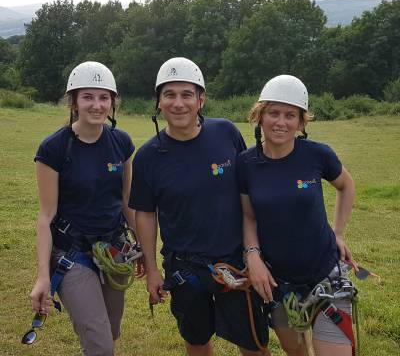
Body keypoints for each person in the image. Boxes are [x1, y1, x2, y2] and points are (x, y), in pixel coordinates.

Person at [129, 57, 269, 356]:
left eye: (187, 94)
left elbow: (248, 195)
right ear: (159, 102)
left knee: (254, 343)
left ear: (201, 100)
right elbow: (144, 214)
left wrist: (256, 252)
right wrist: (152, 270)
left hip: (236, 261)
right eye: (169, 95)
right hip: (185, 267)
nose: (178, 103)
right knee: (196, 341)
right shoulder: (148, 156)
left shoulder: (226, 133)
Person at [238, 75, 357, 356]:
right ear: (260, 116)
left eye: (290, 115)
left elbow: (346, 185)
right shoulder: (246, 163)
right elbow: (249, 216)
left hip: (325, 277)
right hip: (279, 284)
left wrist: (338, 233)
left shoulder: (318, 155)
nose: (281, 122)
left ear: (302, 122)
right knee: (296, 352)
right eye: (273, 113)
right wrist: (253, 255)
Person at [30, 61, 143, 356]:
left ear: (113, 102)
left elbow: (128, 202)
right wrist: (43, 276)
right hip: (72, 254)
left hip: (114, 251)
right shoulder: (54, 148)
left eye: (104, 97)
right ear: (74, 102)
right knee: (100, 344)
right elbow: (45, 216)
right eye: (88, 97)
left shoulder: (121, 143)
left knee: (110, 331)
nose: (97, 105)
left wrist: (142, 247)